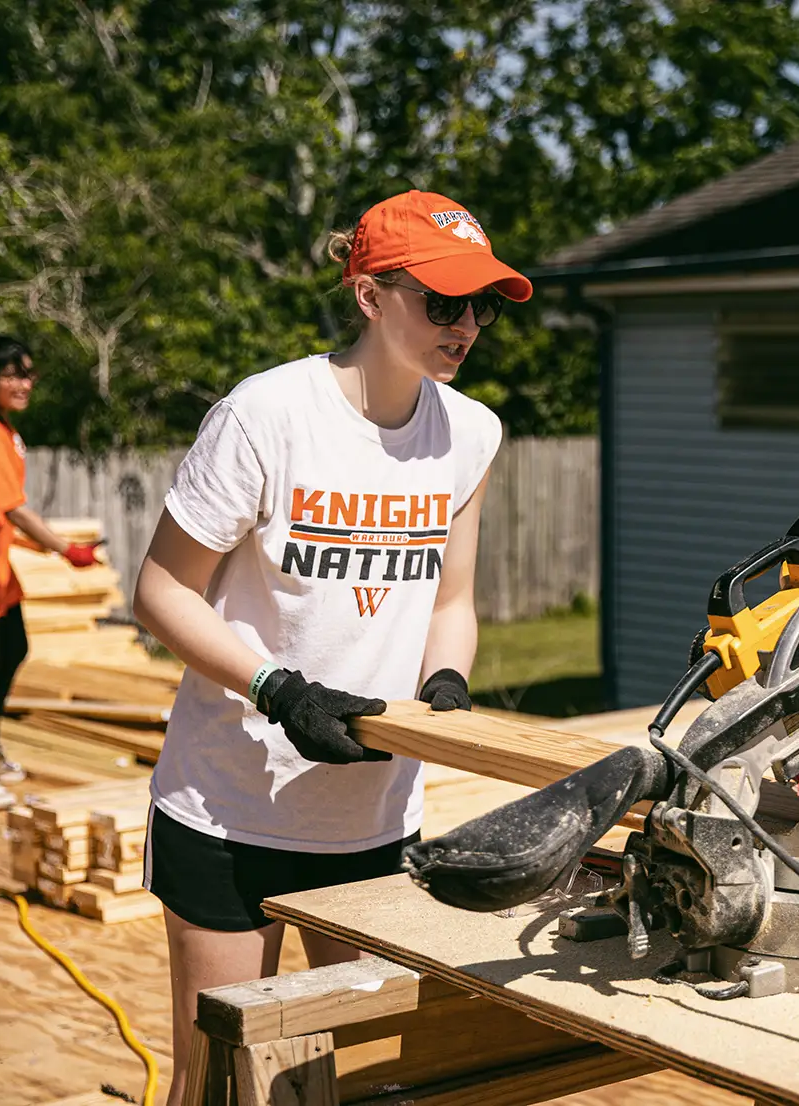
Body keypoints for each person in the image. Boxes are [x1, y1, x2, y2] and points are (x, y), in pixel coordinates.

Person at [133, 191, 527, 1101]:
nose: (466, 325)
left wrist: (447, 682)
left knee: (342, 1083)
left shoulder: (470, 433)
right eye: (443, 302)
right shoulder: (267, 416)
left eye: (484, 305)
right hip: (231, 811)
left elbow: (451, 601)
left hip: (376, 823)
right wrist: (278, 689)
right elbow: (159, 590)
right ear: (370, 296)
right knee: (220, 1085)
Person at [0, 337, 100, 809]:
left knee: (14, 648)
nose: (23, 383)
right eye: (10, 374)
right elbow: (14, 509)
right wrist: (67, 550)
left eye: (27, 373)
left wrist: (40, 545)